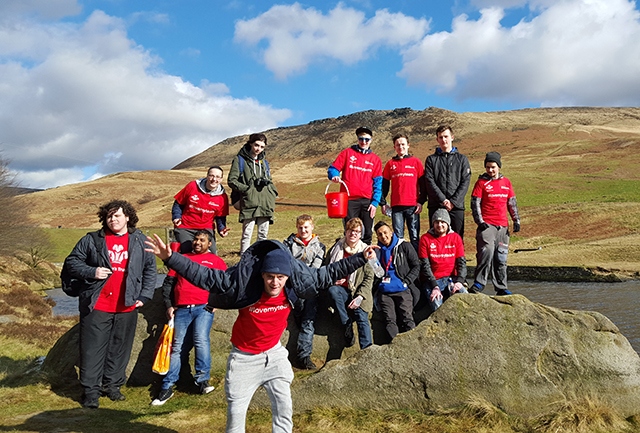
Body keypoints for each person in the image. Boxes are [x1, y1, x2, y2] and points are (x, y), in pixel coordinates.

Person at [144, 235, 378, 433]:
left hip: (275, 355)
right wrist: (171, 258)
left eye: (280, 277)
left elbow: (329, 272)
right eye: (269, 277)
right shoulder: (243, 285)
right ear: (262, 275)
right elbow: (206, 277)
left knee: (284, 410)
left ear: (288, 277)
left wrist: (361, 257)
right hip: (244, 359)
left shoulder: (295, 285)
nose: (275, 283)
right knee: (236, 419)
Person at [62, 200, 156, 409]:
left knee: (119, 349)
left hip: (127, 305)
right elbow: (72, 262)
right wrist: (92, 272)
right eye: (109, 216)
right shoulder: (93, 240)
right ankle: (91, 392)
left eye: (117, 216)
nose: (113, 220)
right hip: (97, 305)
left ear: (128, 217)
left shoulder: (140, 241)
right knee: (92, 350)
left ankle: (112, 387)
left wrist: (145, 296)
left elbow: (150, 269)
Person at [151, 230, 227, 406]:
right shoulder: (182, 258)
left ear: (210, 244)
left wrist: (217, 302)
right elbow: (168, 283)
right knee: (176, 347)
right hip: (182, 309)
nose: (197, 242)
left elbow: (225, 283)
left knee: (201, 340)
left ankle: (202, 381)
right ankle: (167, 386)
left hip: (204, 307)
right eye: (195, 239)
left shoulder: (216, 261)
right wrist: (169, 305)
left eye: (202, 240)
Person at [470, 151, 521, 295]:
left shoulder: (507, 183)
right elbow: (475, 204)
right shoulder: (481, 183)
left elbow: (512, 203)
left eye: (493, 167)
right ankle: (479, 283)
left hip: (503, 227)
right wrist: (480, 222)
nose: (490, 170)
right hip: (487, 225)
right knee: (486, 252)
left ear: (499, 166)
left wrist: (516, 220)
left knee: (501, 257)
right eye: (487, 167)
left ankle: (501, 287)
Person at [283, 214, 326, 370]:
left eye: (306, 227)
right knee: (299, 316)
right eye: (300, 228)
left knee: (308, 321)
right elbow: (288, 264)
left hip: (310, 287)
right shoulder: (288, 244)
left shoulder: (320, 247)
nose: (303, 230)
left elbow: (315, 268)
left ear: (312, 227)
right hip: (292, 287)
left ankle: (304, 356)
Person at [328, 126, 382, 245]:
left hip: (367, 202)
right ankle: (350, 257)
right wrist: (334, 175)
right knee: (350, 231)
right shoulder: (347, 153)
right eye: (361, 139)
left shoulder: (375, 159)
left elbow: (378, 183)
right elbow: (333, 168)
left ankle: (365, 258)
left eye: (366, 139)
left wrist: (375, 202)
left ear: (371, 140)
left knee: (367, 232)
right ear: (357, 139)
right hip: (349, 201)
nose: (363, 142)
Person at [325, 218, 374, 349]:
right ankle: (346, 324)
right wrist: (333, 280)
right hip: (341, 291)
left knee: (361, 316)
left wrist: (360, 296)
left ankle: (367, 350)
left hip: (358, 291)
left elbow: (369, 277)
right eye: (351, 231)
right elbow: (325, 270)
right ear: (346, 232)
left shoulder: (366, 251)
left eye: (357, 232)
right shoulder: (336, 248)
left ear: (361, 234)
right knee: (333, 291)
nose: (353, 234)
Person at [227, 133, 277, 254]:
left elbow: (269, 179)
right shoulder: (240, 160)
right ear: (250, 144)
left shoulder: (264, 162)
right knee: (247, 232)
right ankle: (244, 257)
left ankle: (260, 256)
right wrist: (247, 189)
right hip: (249, 200)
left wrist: (272, 191)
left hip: (265, 201)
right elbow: (231, 180)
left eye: (261, 147)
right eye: (256, 145)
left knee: (263, 233)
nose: (258, 149)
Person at [373, 221, 420, 341]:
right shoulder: (377, 251)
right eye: (380, 234)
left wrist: (407, 281)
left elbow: (416, 266)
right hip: (385, 292)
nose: (383, 236)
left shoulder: (404, 245)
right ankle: (395, 348)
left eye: (385, 232)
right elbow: (376, 271)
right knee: (390, 321)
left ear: (391, 232)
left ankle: (412, 346)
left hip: (403, 289)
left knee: (407, 319)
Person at [424, 125, 471, 238]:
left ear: (452, 137)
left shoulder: (462, 159)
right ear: (437, 140)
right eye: (440, 137)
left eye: (446, 136)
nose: (443, 140)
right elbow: (429, 181)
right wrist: (443, 200)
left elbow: (465, 181)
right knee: (436, 237)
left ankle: (458, 257)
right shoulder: (431, 160)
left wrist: (453, 202)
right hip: (436, 205)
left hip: (456, 206)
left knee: (457, 237)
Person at [381, 133, 424, 252]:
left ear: (408, 145)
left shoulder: (416, 162)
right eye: (398, 145)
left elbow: (423, 184)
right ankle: (401, 262)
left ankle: (416, 263)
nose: (401, 147)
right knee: (399, 237)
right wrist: (383, 203)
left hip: (413, 206)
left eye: (403, 144)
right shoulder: (390, 164)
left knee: (414, 236)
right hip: (396, 207)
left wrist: (420, 202)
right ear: (394, 147)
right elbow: (384, 185)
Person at [418, 209, 468, 312]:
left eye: (442, 222)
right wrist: (434, 286)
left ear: (448, 223)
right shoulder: (425, 239)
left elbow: (461, 263)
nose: (439, 225)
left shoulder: (456, 238)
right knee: (437, 305)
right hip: (433, 280)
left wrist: (460, 281)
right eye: (437, 222)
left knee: (466, 298)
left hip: (452, 279)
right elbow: (425, 265)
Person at [172, 166, 230, 254]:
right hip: (186, 227)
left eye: (218, 177)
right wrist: (176, 217)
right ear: (207, 176)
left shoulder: (223, 197)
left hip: (206, 228)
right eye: (211, 176)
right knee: (188, 253)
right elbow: (178, 203)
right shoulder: (192, 186)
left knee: (212, 255)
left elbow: (221, 217)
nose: (214, 179)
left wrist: (221, 229)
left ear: (221, 179)